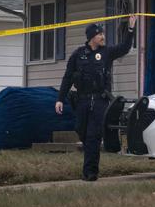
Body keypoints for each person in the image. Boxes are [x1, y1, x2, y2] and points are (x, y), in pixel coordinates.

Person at [55, 15, 136, 181]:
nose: (103, 37)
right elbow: (67, 78)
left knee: (93, 136)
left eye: (103, 34)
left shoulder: (107, 53)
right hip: (82, 100)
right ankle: (89, 166)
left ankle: (90, 173)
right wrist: (60, 99)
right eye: (100, 35)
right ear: (92, 37)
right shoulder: (78, 55)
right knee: (82, 132)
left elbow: (125, 48)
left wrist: (130, 29)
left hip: (100, 101)